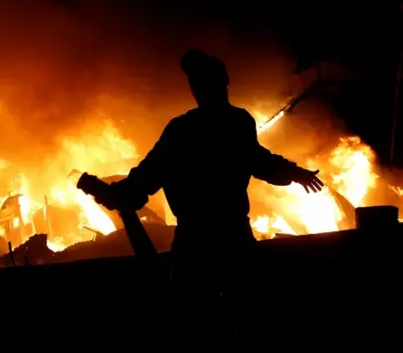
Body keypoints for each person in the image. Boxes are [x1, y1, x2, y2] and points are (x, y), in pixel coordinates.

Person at [107, 49, 324, 339]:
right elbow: (259, 161)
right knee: (239, 315)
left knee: (197, 320)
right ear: (222, 83)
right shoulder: (235, 123)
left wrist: (121, 194)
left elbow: (151, 173)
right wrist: (295, 173)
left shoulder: (184, 130)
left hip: (198, 241)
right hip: (230, 237)